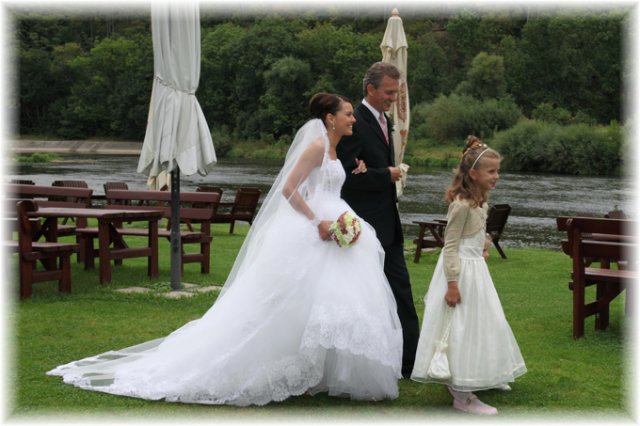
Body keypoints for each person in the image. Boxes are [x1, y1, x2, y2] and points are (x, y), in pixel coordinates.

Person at [47, 93, 403, 406]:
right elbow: (289, 189)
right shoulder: (315, 147)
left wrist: (353, 176)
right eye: (348, 114)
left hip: (337, 221)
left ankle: (320, 373)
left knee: (332, 302)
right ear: (330, 118)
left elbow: (330, 181)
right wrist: (317, 223)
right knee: (291, 302)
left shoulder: (337, 150)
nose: (353, 118)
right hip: (315, 227)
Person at [410, 136, 527, 415]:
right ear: (473, 174)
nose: (496, 176)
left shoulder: (480, 203)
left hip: (476, 270)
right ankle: (461, 392)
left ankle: (484, 371)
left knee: (485, 321)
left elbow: (471, 236)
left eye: (498, 171)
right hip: (460, 273)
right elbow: (451, 246)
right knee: (459, 326)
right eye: (491, 171)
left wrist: (482, 245)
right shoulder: (461, 205)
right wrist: (452, 283)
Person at [337, 61, 419, 378]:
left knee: (401, 294)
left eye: (396, 93)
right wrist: (387, 174)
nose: (393, 99)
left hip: (389, 225)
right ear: (370, 89)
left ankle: (410, 361)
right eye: (388, 92)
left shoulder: (385, 121)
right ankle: (369, 360)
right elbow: (346, 177)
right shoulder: (353, 123)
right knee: (365, 299)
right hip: (365, 227)